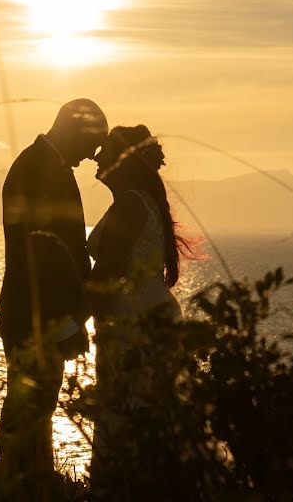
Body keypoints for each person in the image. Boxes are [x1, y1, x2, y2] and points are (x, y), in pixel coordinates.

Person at [0, 98, 108, 498]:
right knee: (29, 410)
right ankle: (16, 485)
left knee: (35, 411)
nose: (92, 155)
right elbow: (40, 258)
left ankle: (27, 482)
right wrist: (64, 323)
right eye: (92, 143)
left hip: (36, 317)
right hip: (36, 319)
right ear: (75, 130)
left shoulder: (45, 165)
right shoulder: (38, 168)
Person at [85, 125, 194, 491]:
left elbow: (106, 277)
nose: (96, 157)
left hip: (132, 321)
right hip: (149, 314)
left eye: (104, 151)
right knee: (148, 413)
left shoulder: (130, 204)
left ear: (121, 161)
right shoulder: (144, 202)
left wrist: (60, 325)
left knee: (123, 413)